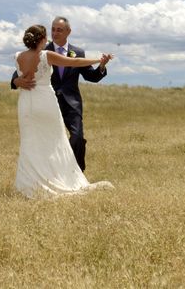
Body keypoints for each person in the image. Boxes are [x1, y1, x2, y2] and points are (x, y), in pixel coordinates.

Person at [13, 24, 113, 198]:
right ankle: (60, 179)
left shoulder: (18, 56)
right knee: (55, 142)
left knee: (30, 143)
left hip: (26, 104)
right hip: (45, 101)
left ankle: (28, 185)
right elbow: (73, 62)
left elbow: (18, 75)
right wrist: (98, 60)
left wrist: (17, 82)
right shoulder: (46, 55)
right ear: (43, 39)